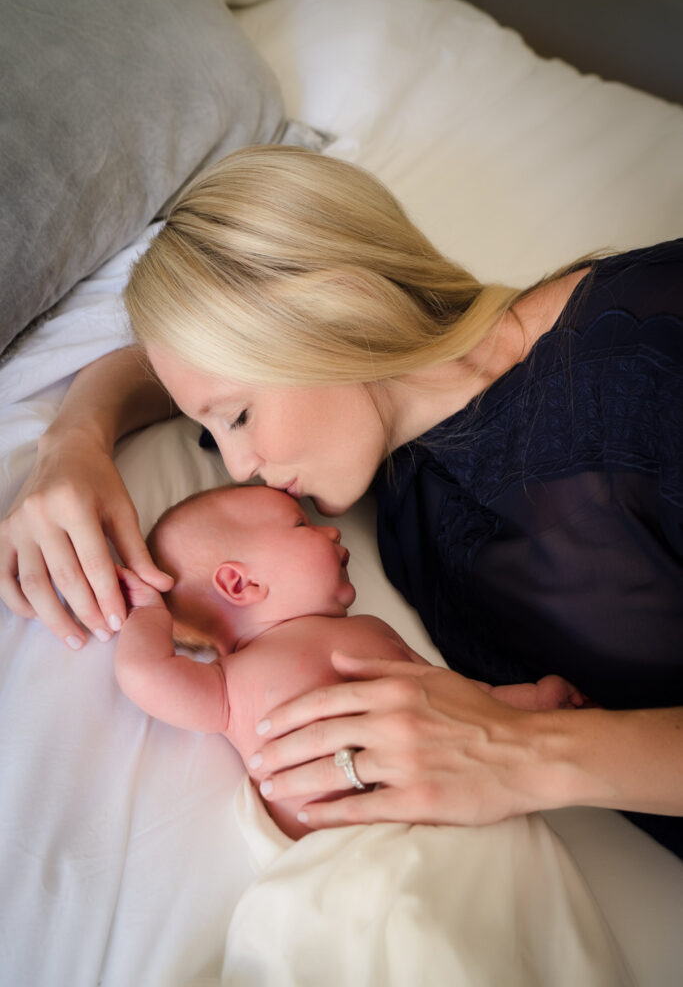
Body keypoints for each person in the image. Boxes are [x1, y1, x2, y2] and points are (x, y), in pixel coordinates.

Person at [0, 145, 680, 856]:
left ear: (338, 309)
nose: (239, 467)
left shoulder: (646, 354)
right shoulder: (403, 483)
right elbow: (153, 368)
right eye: (211, 426)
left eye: (236, 418)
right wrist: (74, 443)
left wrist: (528, 754)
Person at [115, 482, 587, 840]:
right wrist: (146, 610)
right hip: (350, 850)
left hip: (455, 808)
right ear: (240, 584)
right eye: (301, 524)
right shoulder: (228, 685)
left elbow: (456, 701)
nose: (332, 529)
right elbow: (146, 673)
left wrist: (530, 700)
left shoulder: (372, 631)